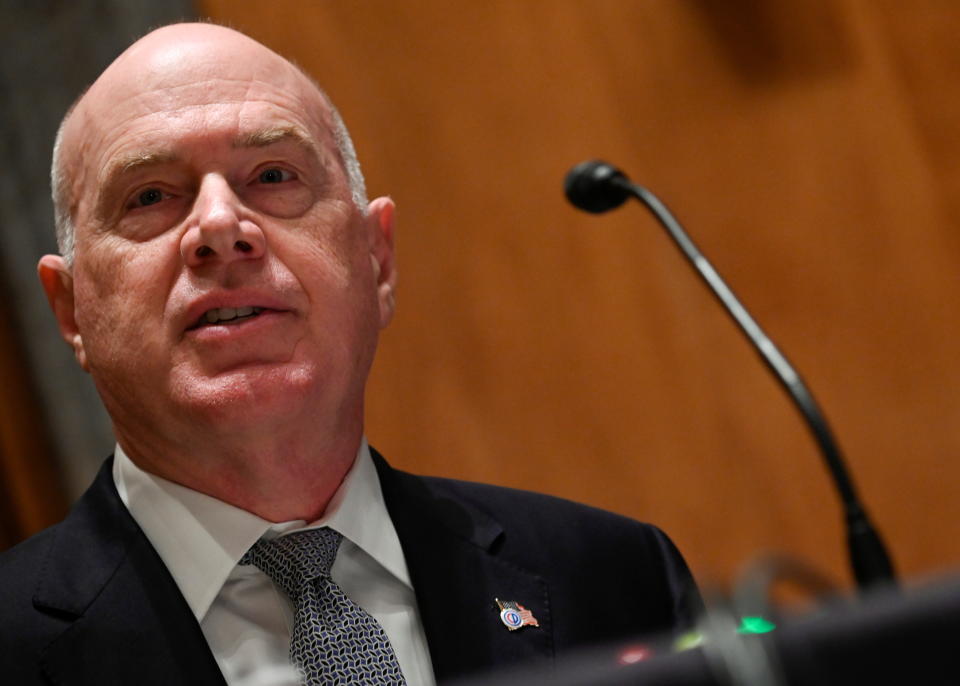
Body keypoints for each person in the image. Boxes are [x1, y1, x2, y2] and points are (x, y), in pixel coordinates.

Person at [0, 22, 700, 686]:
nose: (219, 226)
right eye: (150, 195)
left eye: (273, 176)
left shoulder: (616, 581)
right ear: (71, 310)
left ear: (377, 260)